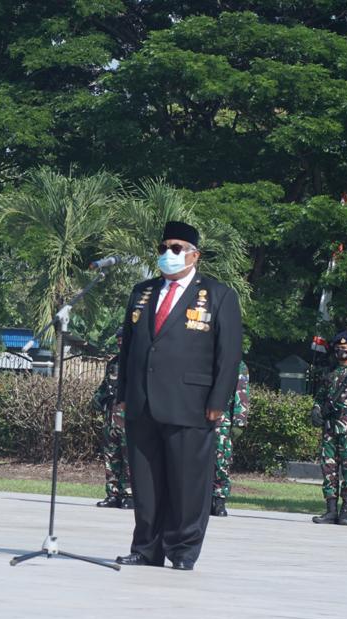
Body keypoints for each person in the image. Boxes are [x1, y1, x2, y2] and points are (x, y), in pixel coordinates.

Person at [115, 221, 242, 571]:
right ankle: (146, 549)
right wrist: (123, 393)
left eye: (176, 248)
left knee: (187, 483)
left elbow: (229, 354)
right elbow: (129, 349)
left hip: (191, 404)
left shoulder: (218, 295)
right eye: (163, 248)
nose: (168, 254)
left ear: (194, 255)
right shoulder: (143, 291)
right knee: (146, 483)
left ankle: (183, 550)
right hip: (142, 402)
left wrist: (218, 401)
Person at [310, 331, 347, 526]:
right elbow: (320, 397)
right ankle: (331, 511)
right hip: (330, 429)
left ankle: (345, 512)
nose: (340, 351)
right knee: (328, 469)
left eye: (344, 348)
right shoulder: (331, 372)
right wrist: (316, 410)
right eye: (337, 348)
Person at [93, 327, 132, 509]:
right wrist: (98, 398)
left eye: (122, 339)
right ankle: (113, 494)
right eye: (118, 340)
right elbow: (104, 386)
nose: (119, 342)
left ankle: (129, 495)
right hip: (111, 419)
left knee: (129, 458)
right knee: (111, 458)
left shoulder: (137, 362)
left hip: (129, 420)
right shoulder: (113, 363)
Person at [211, 359, 250, 517]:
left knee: (221, 461)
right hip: (196, 418)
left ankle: (219, 499)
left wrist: (239, 422)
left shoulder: (236, 363)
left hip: (222, 419)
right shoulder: (198, 356)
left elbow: (241, 392)